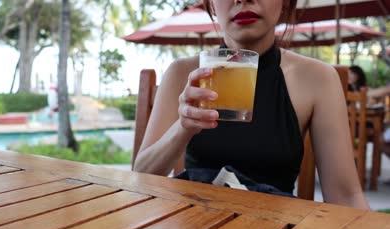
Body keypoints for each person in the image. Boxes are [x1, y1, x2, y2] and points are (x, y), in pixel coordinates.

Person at [133, 0, 369, 209]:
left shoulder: (318, 78)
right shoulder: (183, 72)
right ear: (211, 5)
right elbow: (141, 176)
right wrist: (182, 127)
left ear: (286, 2)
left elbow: (346, 197)